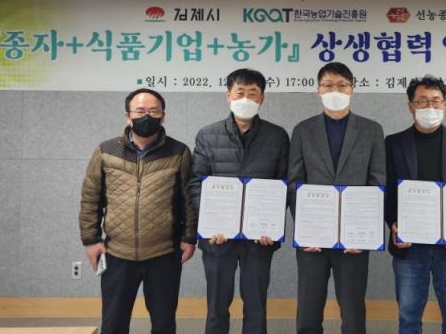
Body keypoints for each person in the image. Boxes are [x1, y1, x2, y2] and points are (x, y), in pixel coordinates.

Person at [79, 88, 197, 334]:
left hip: (164, 253)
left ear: (163, 116)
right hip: (117, 253)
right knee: (113, 324)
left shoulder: (179, 152)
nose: (147, 116)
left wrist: (189, 237)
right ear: (128, 116)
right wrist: (91, 240)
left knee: (164, 324)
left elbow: (189, 199)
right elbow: (91, 198)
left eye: (153, 111)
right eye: (140, 111)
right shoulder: (106, 151)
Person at [189, 68, 289, 334]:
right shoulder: (207, 135)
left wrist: (271, 226)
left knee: (256, 306)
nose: (246, 99)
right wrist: (210, 222)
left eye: (252, 93)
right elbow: (196, 183)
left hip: (259, 239)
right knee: (217, 306)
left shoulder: (277, 136)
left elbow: (283, 185)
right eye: (240, 92)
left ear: (262, 98)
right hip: (217, 238)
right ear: (228, 96)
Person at [288, 61, 386, 334]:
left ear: (352, 89)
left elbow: (377, 182)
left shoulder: (371, 130)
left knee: (353, 311)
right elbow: (295, 183)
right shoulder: (303, 130)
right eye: (328, 85)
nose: (335, 91)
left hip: (354, 238)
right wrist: (306, 229)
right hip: (313, 238)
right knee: (308, 310)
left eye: (342, 85)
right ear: (318, 90)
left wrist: (364, 233)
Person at [385, 76, 446, 334]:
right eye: (422, 101)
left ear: (445, 105)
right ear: (411, 106)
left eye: (436, 101)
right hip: (409, 246)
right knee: (408, 318)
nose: (430, 107)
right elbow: (386, 192)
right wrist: (392, 223)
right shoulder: (393, 144)